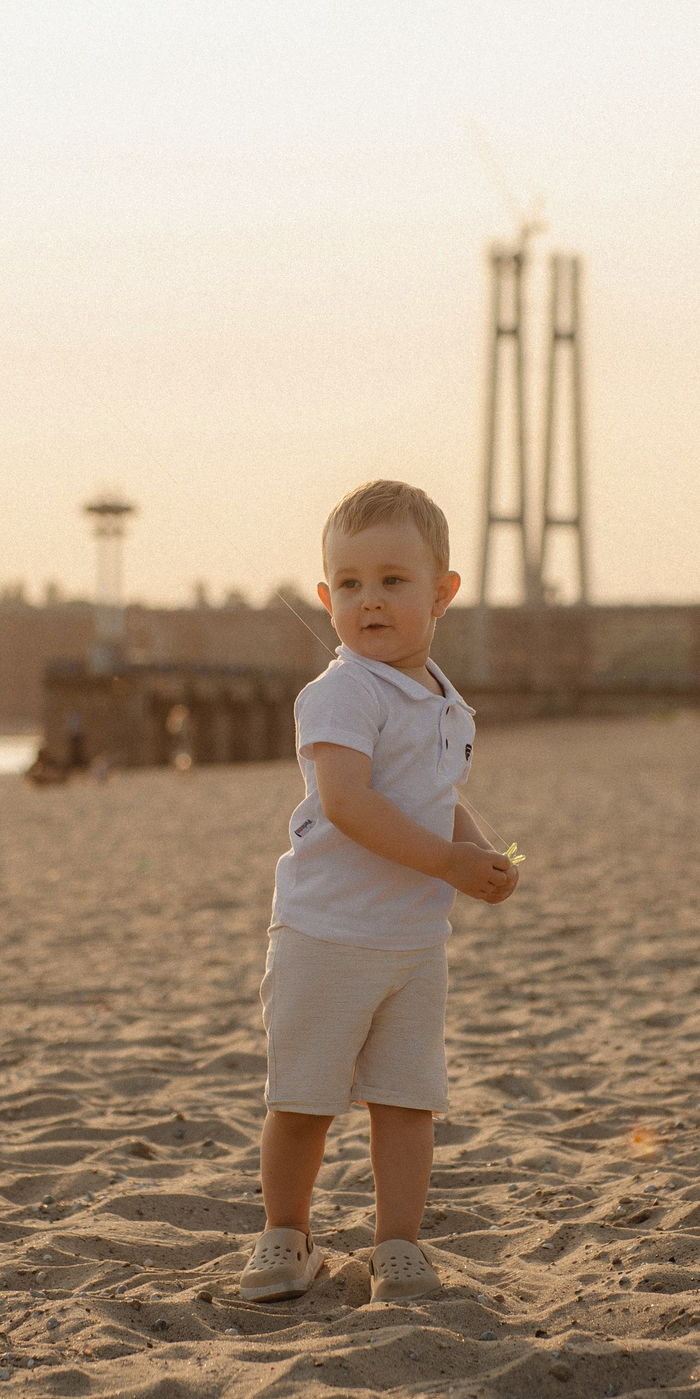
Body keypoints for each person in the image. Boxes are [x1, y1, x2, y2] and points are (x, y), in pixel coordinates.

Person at [238, 480, 519, 1304]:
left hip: (414, 941)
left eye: (393, 581)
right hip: (326, 934)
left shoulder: (445, 701)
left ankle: (397, 1244)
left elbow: (435, 795)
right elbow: (347, 802)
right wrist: (447, 863)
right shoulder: (343, 691)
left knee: (406, 1101)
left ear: (442, 593)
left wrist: (478, 853)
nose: (370, 600)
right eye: (350, 583)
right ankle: (286, 1233)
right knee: (303, 1099)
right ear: (326, 598)